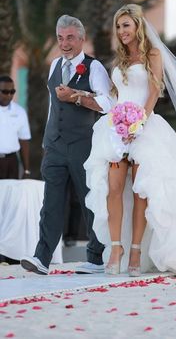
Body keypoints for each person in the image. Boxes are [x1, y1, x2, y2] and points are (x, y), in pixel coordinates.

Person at [82, 4, 176, 278]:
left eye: (126, 25)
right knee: (113, 189)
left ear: (137, 26)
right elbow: (116, 96)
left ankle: (137, 249)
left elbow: (153, 91)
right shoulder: (119, 60)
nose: (122, 31)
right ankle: (117, 248)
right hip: (116, 128)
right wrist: (109, 114)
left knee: (142, 191)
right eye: (119, 27)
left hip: (144, 126)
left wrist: (138, 123)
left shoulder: (153, 53)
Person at [20, 15, 112, 275]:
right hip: (55, 145)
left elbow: (108, 104)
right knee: (50, 202)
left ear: (82, 39)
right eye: (60, 38)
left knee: (88, 200)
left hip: (82, 144)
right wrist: (48, 139)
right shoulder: (54, 65)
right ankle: (42, 258)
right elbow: (53, 105)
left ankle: (95, 258)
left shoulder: (94, 68)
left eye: (70, 37)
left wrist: (76, 97)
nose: (64, 43)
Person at [0, 75, 31, 179]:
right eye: (4, 92)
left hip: (12, 161)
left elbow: (24, 141)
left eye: (12, 92)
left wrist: (26, 169)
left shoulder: (20, 112)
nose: (9, 95)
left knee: (11, 194)